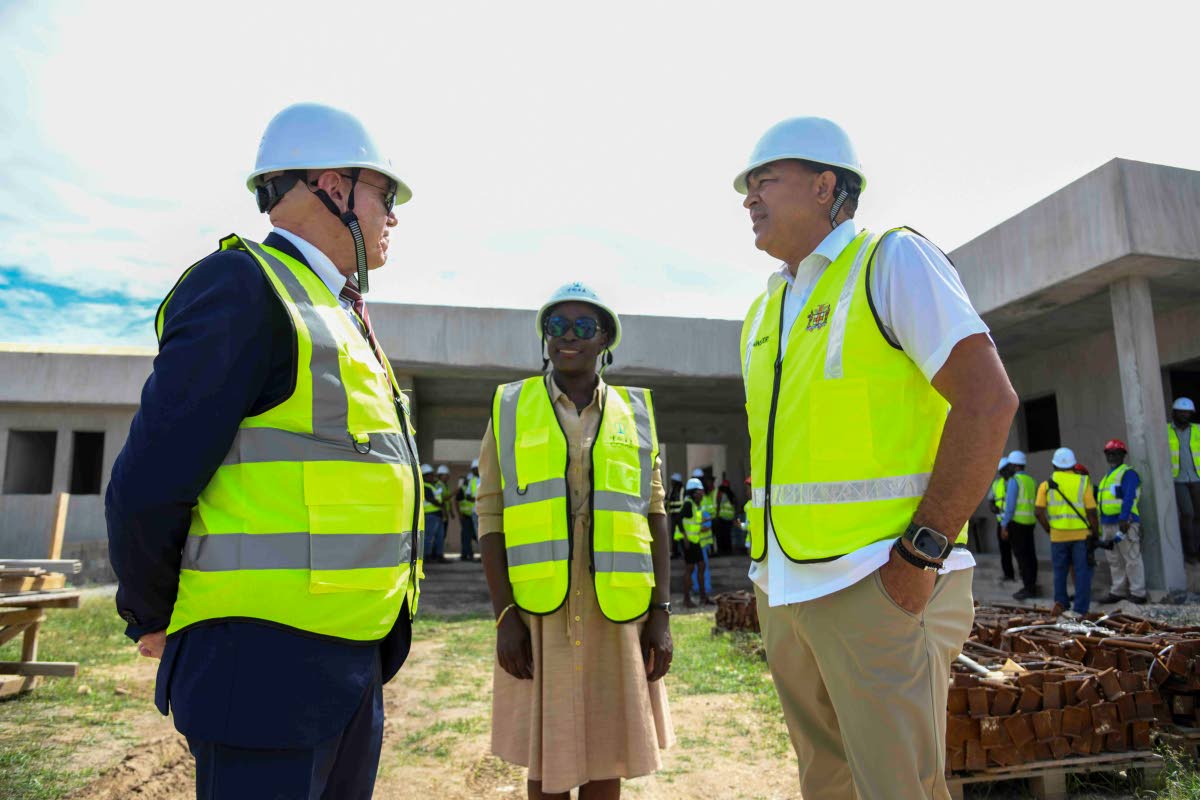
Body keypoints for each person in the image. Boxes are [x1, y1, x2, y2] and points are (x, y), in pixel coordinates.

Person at [105, 102, 422, 799]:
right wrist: (151, 614)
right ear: (335, 188)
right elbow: (149, 480)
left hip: (347, 669)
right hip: (259, 670)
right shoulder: (244, 288)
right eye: (386, 195)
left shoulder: (334, 310)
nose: (394, 215)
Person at [736, 116, 1016, 799]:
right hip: (788, 592)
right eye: (745, 187)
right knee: (826, 784)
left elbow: (988, 403)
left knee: (899, 790)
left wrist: (919, 558)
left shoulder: (890, 261)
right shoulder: (766, 309)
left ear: (827, 184)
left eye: (764, 180)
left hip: (879, 586)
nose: (748, 198)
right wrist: (768, 584)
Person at [477, 282, 674, 800]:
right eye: (556, 326)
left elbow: (655, 512)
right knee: (549, 756)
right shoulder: (510, 407)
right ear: (544, 337)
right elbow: (490, 514)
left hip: (617, 605)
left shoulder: (635, 414)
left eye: (584, 328)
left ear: (605, 338)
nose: (568, 338)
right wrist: (504, 617)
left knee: (606, 752)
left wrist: (661, 613)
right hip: (540, 608)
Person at [1035, 447, 1100, 616]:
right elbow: (1092, 511)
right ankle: (1080, 609)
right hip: (1081, 536)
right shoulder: (1083, 482)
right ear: (1073, 464)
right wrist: (1095, 532)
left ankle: (1061, 604)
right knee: (1081, 572)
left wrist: (1049, 529)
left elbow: (1038, 512)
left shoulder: (1046, 485)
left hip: (1058, 536)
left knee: (1060, 572)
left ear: (1054, 465)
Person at [1096, 439, 1147, 604]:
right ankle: (1118, 591)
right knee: (1115, 560)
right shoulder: (1107, 477)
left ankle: (1138, 593)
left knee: (1131, 557)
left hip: (1124, 522)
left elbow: (1129, 497)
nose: (1111, 456)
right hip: (1108, 523)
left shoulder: (1128, 473)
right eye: (1109, 453)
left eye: (1115, 453)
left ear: (1123, 455)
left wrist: (1125, 518)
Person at [1002, 450, 1041, 601]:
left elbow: (1010, 506)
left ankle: (1028, 588)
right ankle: (1032, 585)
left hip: (1017, 524)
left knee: (1022, 557)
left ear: (1014, 465)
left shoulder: (1014, 481)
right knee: (1031, 556)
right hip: (1029, 523)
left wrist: (1004, 525)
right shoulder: (1031, 480)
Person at [1169, 397, 1200, 563]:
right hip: (1178, 479)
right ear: (1174, 413)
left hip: (1197, 478)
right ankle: (1190, 552)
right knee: (1187, 514)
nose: (1184, 415)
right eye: (1181, 412)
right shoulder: (1166, 430)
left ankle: (1198, 549)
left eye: (1187, 412)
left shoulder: (1197, 430)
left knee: (1198, 516)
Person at [676, 477, 711, 608]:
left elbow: (691, 522)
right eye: (700, 492)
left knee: (701, 566)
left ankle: (703, 597)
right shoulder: (688, 503)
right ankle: (686, 599)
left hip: (694, 540)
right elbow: (679, 520)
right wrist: (685, 537)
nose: (702, 495)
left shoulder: (695, 505)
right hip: (688, 542)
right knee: (690, 568)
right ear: (694, 492)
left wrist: (702, 524)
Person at [989, 458, 1016, 583]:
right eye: (1001, 471)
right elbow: (991, 500)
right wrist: (994, 508)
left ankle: (1021, 574)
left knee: (1017, 550)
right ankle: (1008, 574)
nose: (1003, 473)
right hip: (1001, 522)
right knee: (1004, 550)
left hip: (1014, 521)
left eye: (1005, 470)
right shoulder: (996, 484)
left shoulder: (1014, 482)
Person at [423, 463, 448, 563]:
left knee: (440, 537)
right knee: (428, 537)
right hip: (430, 515)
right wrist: (441, 505)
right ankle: (427, 557)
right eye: (430, 475)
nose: (432, 476)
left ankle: (439, 555)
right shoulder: (425, 486)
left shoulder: (432, 486)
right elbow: (431, 499)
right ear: (424, 476)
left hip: (437, 514)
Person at [457, 460, 480, 562]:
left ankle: (480, 555)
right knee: (471, 535)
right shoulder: (472, 482)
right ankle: (468, 554)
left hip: (482, 512)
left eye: (476, 469)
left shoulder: (487, 477)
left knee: (480, 535)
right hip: (472, 513)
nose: (475, 471)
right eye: (473, 469)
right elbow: (467, 496)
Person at [714, 479, 739, 555]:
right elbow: (735, 505)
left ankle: (723, 551)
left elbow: (718, 504)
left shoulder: (722, 494)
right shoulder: (731, 494)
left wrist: (717, 514)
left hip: (723, 517)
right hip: (730, 518)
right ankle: (729, 551)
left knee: (722, 535)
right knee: (728, 535)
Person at [667, 473, 685, 560]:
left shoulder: (682, 490)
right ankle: (675, 552)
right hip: (673, 516)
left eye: (673, 481)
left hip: (680, 516)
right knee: (673, 534)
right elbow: (668, 500)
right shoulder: (671, 490)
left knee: (682, 533)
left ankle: (684, 551)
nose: (672, 482)